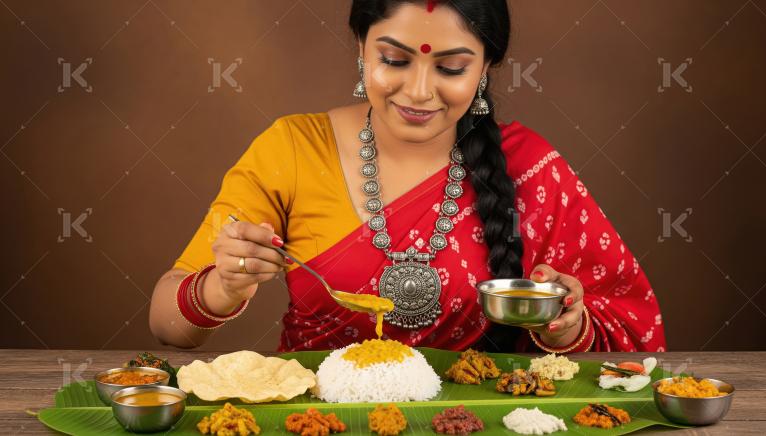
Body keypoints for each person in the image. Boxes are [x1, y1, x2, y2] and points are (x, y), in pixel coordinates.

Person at [149, 0, 666, 353]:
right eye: (393, 59)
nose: (418, 92)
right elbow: (167, 326)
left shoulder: (528, 166)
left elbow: (630, 327)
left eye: (450, 68)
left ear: (486, 68)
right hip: (317, 423)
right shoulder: (293, 149)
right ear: (361, 49)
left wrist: (565, 323)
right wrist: (223, 286)